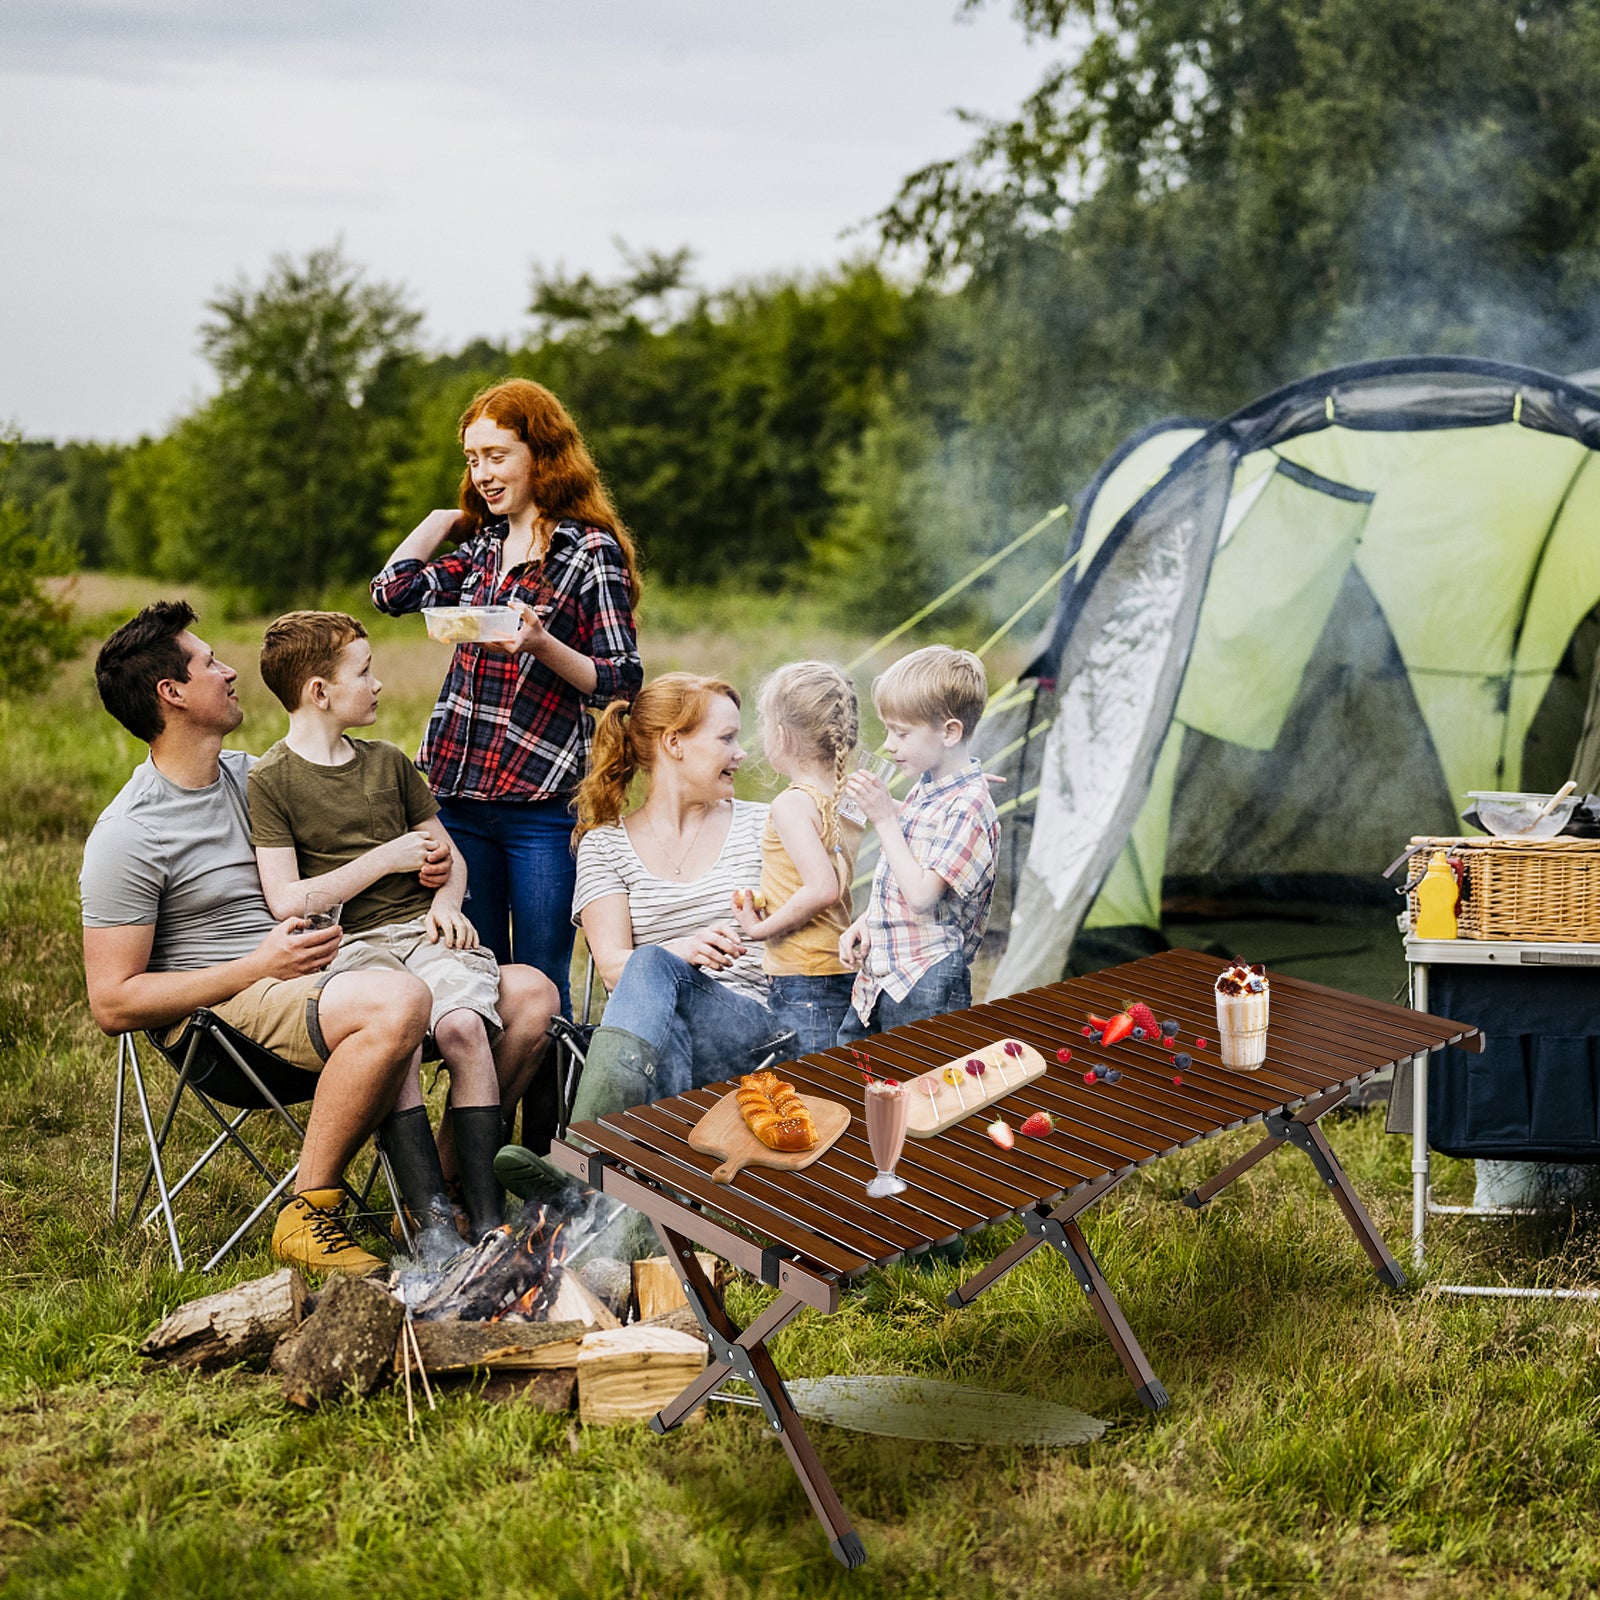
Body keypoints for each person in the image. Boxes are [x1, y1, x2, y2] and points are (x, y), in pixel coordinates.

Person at [80, 602, 430, 1277]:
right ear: (172, 694)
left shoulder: (257, 777)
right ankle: (308, 1211)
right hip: (224, 1025)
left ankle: (433, 1200)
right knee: (398, 1003)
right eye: (210, 662)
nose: (231, 669)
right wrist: (258, 964)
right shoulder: (128, 834)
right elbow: (113, 1003)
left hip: (323, 971)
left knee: (520, 998)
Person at [249, 610, 560, 1244]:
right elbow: (287, 898)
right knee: (399, 1028)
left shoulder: (388, 762)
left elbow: (448, 857)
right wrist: (386, 859)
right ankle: (431, 1228)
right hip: (353, 949)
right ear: (320, 692)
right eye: (364, 672)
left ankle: (487, 1217)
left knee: (466, 1026)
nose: (378, 684)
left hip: (422, 932)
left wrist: (448, 900)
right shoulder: (272, 780)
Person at [370, 378, 643, 1017]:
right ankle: (484, 1116)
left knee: (543, 982)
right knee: (477, 974)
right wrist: (442, 520)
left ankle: (551, 1121)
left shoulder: (587, 552)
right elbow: (392, 592)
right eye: (472, 459)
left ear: (541, 456)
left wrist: (542, 645)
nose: (483, 473)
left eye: (497, 456)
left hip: (541, 808)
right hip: (456, 798)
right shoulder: (483, 549)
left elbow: (621, 679)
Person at [495, 673, 787, 1202]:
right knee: (656, 983)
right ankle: (640, 1215)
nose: (741, 755)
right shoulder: (604, 846)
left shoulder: (765, 826)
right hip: (656, 1043)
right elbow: (611, 965)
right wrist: (683, 950)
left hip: (752, 1033)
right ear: (674, 743)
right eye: (726, 739)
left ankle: (579, 1160)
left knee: (652, 964)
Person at [837, 645, 1001, 1042]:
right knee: (856, 1077)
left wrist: (884, 818)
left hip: (928, 980)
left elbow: (923, 895)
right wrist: (869, 920)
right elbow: (910, 850)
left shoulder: (969, 806)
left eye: (901, 732)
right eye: (888, 730)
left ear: (949, 732)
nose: (889, 745)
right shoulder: (929, 790)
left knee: (922, 1092)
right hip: (887, 972)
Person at [729, 661, 864, 1055]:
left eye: (765, 724)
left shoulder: (792, 804)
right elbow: (904, 812)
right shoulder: (848, 798)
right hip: (839, 967)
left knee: (812, 1088)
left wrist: (761, 929)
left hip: (803, 978)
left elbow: (822, 887)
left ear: (783, 736)